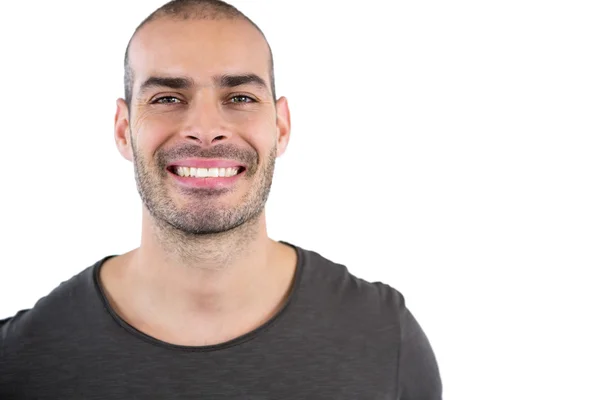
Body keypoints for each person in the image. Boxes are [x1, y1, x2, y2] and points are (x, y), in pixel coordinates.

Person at [0, 0, 442, 398]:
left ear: (281, 126)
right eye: (168, 97)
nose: (206, 128)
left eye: (240, 97)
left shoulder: (384, 337)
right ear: (122, 129)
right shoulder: (17, 363)